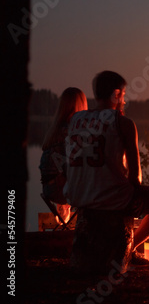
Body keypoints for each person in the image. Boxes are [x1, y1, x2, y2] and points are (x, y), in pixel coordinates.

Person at [64, 70, 149, 263]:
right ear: (116, 94)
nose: (124, 100)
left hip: (78, 196)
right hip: (111, 198)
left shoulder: (75, 120)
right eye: (123, 95)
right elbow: (135, 177)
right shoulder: (123, 123)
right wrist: (135, 192)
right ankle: (131, 248)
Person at [39, 87, 88, 224]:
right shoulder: (73, 131)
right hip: (60, 190)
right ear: (81, 106)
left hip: (48, 190)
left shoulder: (54, 130)